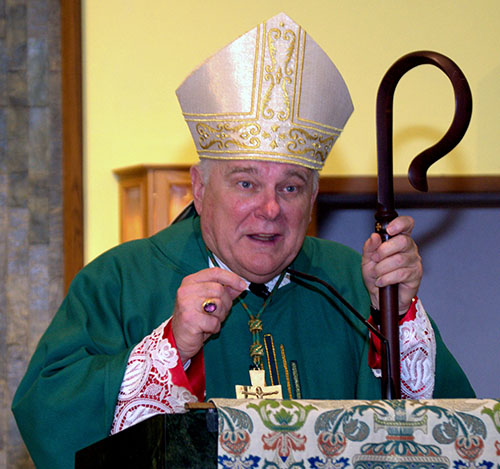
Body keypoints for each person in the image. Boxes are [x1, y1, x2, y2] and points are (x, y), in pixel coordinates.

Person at [12, 12, 474, 469]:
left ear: (313, 197)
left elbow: (449, 434)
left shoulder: (351, 281)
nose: (270, 209)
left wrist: (395, 316)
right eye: (246, 183)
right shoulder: (118, 281)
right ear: (199, 186)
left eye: (290, 187)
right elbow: (48, 414)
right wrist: (171, 350)